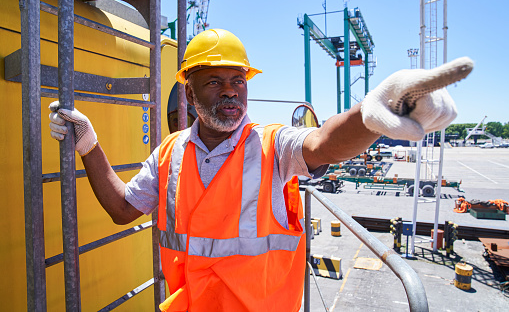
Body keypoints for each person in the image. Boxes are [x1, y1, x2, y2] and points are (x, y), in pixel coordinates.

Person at [49, 29, 473, 311]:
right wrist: (89, 145)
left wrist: (373, 113)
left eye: (239, 80)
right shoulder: (169, 154)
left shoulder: (271, 145)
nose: (231, 91)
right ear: (189, 92)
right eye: (215, 81)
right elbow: (123, 209)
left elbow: (323, 142)